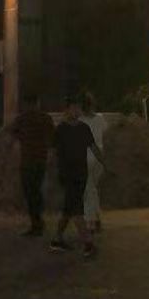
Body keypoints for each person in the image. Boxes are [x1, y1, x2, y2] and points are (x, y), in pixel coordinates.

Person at [49, 96, 103, 258]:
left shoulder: (84, 128)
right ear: (66, 110)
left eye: (78, 108)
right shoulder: (60, 130)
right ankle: (88, 244)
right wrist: (53, 172)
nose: (76, 111)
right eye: (73, 108)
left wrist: (105, 163)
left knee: (69, 208)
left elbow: (93, 147)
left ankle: (57, 239)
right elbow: (53, 153)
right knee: (77, 209)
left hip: (81, 173)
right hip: (68, 174)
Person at [8, 93, 54, 238]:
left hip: (29, 160)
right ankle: (38, 221)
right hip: (39, 160)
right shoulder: (44, 118)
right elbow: (52, 139)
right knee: (35, 191)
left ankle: (36, 223)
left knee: (31, 192)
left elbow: (13, 137)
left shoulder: (22, 119)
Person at [79, 92, 108, 234]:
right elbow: (106, 136)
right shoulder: (100, 119)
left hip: (85, 156)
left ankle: (90, 222)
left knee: (88, 190)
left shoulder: (80, 121)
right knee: (92, 189)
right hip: (99, 157)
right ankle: (96, 220)